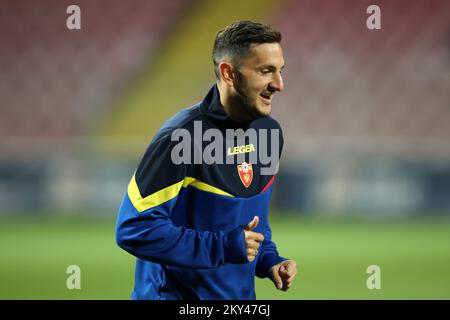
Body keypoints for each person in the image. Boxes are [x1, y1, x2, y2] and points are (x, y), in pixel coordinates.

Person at [116, 20, 297, 300]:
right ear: (229, 73)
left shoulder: (269, 133)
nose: (279, 84)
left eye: (280, 71)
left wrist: (269, 260)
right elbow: (135, 228)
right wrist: (223, 247)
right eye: (266, 71)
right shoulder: (181, 137)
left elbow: (252, 226)